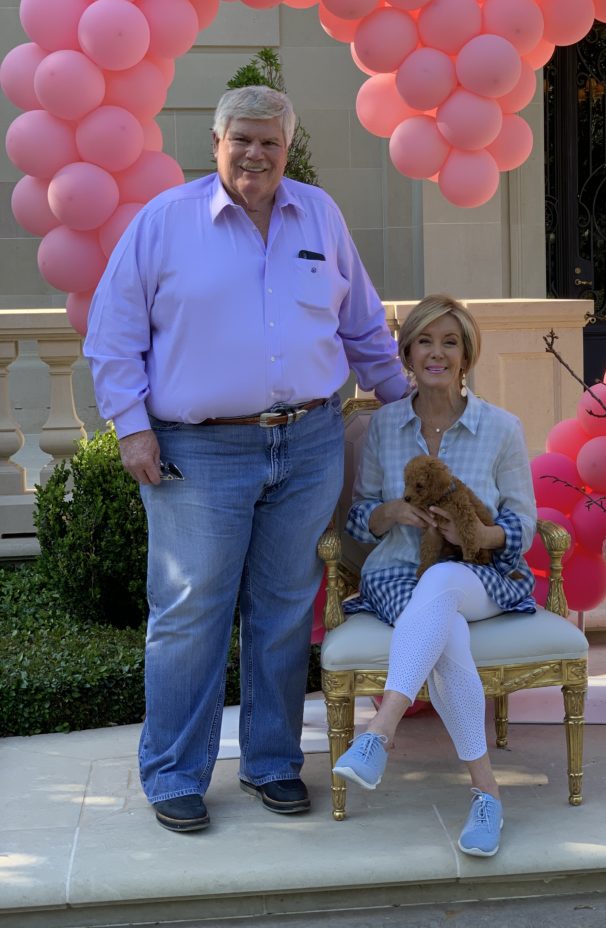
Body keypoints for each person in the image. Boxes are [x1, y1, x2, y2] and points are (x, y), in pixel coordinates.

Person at [84, 85, 408, 833]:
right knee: (191, 612)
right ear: (216, 144)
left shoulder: (319, 216)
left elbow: (361, 325)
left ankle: (270, 764)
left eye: (270, 141)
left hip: (309, 441)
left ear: (287, 148)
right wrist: (132, 428)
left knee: (286, 610)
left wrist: (412, 407)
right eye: (243, 141)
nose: (256, 154)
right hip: (199, 448)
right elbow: (114, 334)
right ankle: (173, 774)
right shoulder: (164, 223)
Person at [332, 295, 537, 858]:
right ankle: (487, 794)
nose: (437, 353)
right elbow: (360, 519)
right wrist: (393, 512)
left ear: (466, 354)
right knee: (443, 619)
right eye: (425, 341)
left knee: (443, 584)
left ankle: (379, 731)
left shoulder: (501, 428)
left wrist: (472, 534)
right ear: (407, 352)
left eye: (450, 342)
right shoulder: (384, 427)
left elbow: (524, 523)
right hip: (397, 571)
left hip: (480, 571)